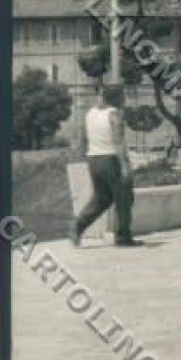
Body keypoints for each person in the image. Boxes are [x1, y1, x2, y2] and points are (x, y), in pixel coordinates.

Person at [72, 85, 140, 248]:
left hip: (94, 159)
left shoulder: (91, 114)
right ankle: (124, 237)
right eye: (122, 97)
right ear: (116, 98)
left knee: (102, 198)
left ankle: (77, 227)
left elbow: (83, 139)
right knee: (124, 197)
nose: (124, 100)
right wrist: (125, 166)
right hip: (111, 160)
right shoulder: (114, 115)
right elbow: (118, 142)